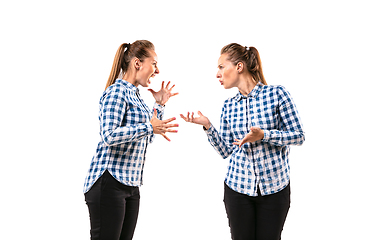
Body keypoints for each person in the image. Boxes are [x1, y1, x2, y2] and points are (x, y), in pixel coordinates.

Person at [180, 43, 305, 240]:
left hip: (274, 190)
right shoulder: (228, 105)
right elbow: (226, 151)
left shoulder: (277, 94)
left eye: (221, 67)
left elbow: (298, 136)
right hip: (237, 190)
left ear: (239, 67)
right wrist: (207, 126)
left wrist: (264, 135)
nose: (217, 74)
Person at [83, 40, 179, 240]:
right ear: (137, 63)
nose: (157, 70)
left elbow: (148, 136)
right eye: (154, 63)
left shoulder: (136, 97)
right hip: (108, 182)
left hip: (130, 184)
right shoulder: (116, 92)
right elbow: (108, 136)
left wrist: (159, 105)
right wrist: (148, 126)